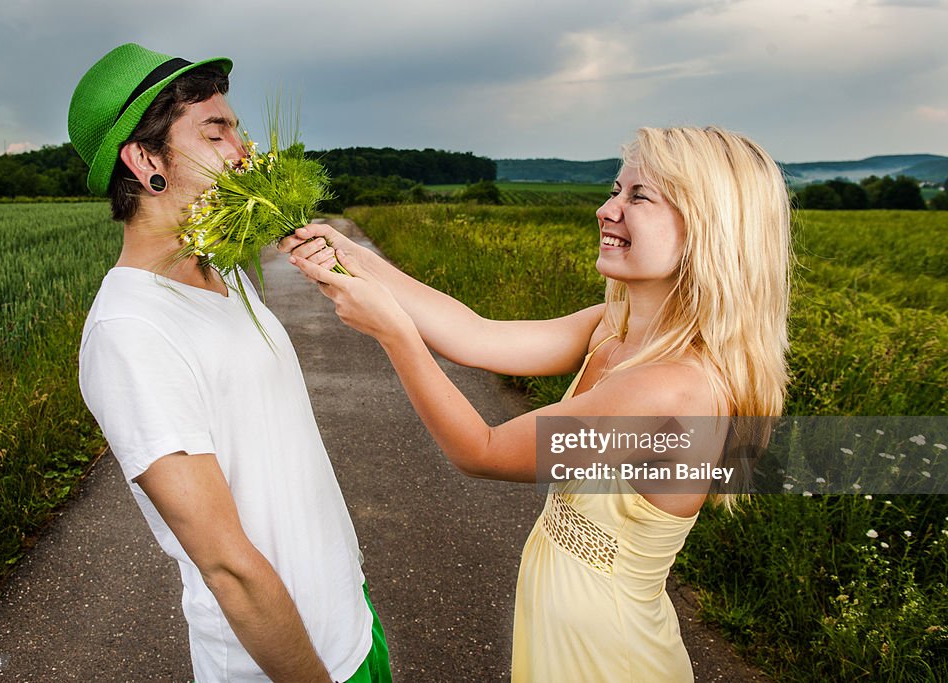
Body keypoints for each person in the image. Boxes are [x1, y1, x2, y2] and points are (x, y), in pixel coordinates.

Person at [284, 126, 790, 682]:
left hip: (608, 657)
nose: (606, 210)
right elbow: (475, 335)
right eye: (614, 190)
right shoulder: (610, 329)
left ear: (710, 228)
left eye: (638, 197)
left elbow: (484, 450)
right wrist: (351, 256)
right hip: (568, 633)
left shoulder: (670, 389)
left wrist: (394, 335)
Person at [69, 43, 391, 682]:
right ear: (146, 161)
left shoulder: (225, 274)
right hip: (282, 666)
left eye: (237, 128)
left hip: (350, 623)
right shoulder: (130, 330)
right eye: (216, 132)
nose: (242, 149)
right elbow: (226, 567)